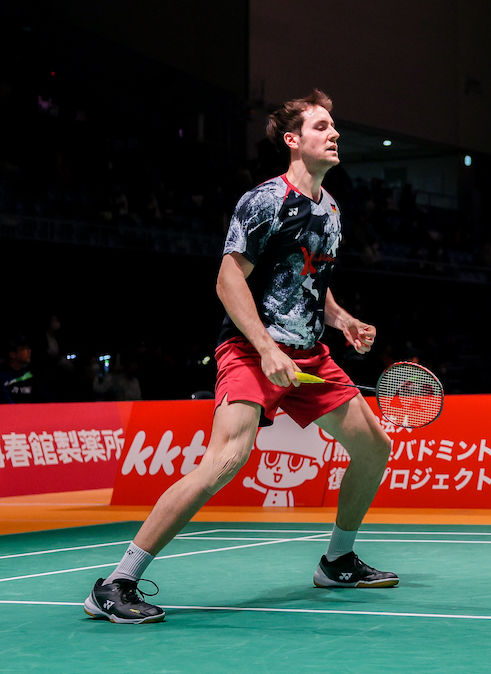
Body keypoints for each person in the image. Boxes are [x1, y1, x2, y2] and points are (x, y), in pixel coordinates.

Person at [83, 90, 397, 624]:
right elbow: (229, 280)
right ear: (293, 140)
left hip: (310, 357)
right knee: (226, 459)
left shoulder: (331, 209)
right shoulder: (265, 202)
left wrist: (341, 320)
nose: (335, 133)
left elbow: (310, 281)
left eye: (334, 126)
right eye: (323, 126)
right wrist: (267, 348)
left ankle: (337, 560)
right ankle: (116, 583)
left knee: (373, 447)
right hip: (252, 353)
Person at [1, 336, 36, 403]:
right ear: (12, 354)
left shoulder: (31, 376)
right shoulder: (2, 377)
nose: (29, 351)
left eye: (29, 348)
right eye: (23, 349)